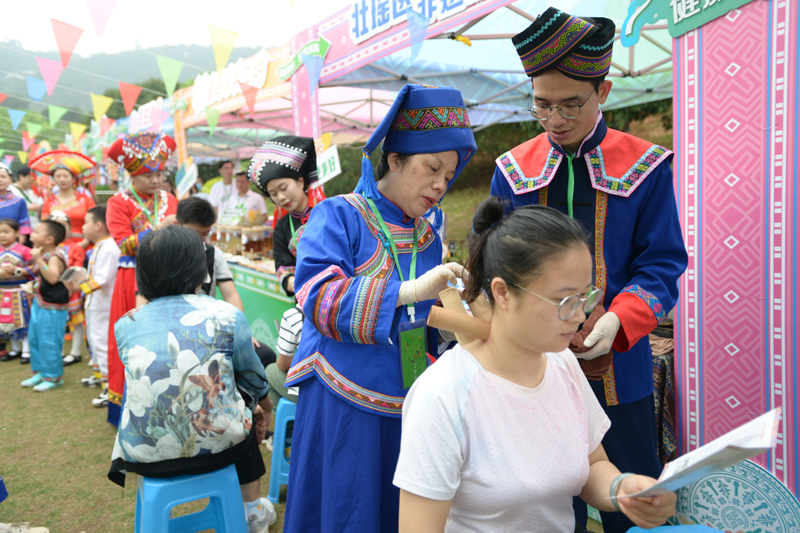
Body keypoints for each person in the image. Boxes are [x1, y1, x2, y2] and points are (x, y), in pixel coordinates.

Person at [489, 9, 688, 532]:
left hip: (619, 366)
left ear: (604, 89)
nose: (554, 120)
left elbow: (663, 263)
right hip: (533, 367)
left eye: (570, 104)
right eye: (541, 105)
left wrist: (618, 321)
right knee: (549, 504)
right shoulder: (513, 170)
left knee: (634, 500)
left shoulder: (646, 167)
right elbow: (494, 262)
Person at [393, 197, 677, 532]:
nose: (580, 315)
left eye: (585, 297)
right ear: (502, 293)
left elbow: (593, 463)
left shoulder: (562, 364)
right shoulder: (443, 394)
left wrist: (621, 489)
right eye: (564, 301)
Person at [282, 84, 475, 532]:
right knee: (345, 509)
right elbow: (317, 297)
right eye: (432, 168)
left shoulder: (428, 239)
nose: (440, 185)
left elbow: (429, 327)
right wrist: (405, 294)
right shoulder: (339, 215)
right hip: (342, 398)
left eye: (448, 176)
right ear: (394, 159)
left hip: (410, 400)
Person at [107, 225, 277, 532]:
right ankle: (251, 513)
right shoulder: (226, 314)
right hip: (220, 448)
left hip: (141, 453)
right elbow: (254, 378)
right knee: (244, 407)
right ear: (200, 270)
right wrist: (266, 408)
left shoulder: (126, 323)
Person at [104, 132, 179, 426]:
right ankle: (128, 406)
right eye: (148, 174)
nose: (155, 180)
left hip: (169, 273)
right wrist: (158, 229)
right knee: (133, 339)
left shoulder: (169, 198)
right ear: (132, 174)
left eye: (159, 173)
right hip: (131, 276)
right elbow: (123, 244)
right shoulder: (117, 202)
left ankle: (168, 400)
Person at [175, 196, 275, 365]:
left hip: (210, 328)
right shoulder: (167, 254)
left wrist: (242, 332)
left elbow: (230, 295)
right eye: (195, 233)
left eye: (205, 234)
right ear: (177, 225)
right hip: (177, 329)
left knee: (265, 356)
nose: (200, 239)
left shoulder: (214, 254)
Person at [249, 135, 321, 298]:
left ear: (300, 182)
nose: (280, 197)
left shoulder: (330, 212)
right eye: (273, 194)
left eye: (283, 187)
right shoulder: (282, 228)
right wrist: (308, 287)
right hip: (307, 300)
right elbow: (284, 271)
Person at [63, 205, 120, 397]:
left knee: (101, 342)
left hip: (103, 304)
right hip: (94, 303)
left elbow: (102, 279)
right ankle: (100, 376)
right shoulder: (100, 245)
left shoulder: (110, 247)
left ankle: (108, 385)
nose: (83, 227)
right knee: (95, 341)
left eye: (86, 222)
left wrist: (78, 288)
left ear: (98, 225)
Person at [20, 220, 69, 392]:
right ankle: (40, 372)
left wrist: (37, 259)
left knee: (49, 341)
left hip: (53, 307)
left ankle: (54, 377)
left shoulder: (55, 255)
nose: (31, 233)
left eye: (37, 231)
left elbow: (53, 277)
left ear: (49, 239)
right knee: (35, 338)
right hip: (40, 303)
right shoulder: (43, 254)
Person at [0, 219, 34, 362]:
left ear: (16, 232)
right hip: (3, 291)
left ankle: (26, 350)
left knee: (23, 320)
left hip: (20, 290)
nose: (2, 235)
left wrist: (18, 270)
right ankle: (15, 349)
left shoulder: (24, 250)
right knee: (7, 321)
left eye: (6, 232)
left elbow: (34, 267)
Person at [10, 166, 43, 245]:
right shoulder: (11, 190)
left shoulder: (32, 191)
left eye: (33, 179)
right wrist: (28, 208)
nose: (31, 181)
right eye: (29, 178)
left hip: (33, 228)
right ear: (21, 177)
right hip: (20, 229)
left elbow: (40, 204)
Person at [0, 163, 32, 243]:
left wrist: (17, 247)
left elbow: (24, 225)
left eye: (3, 177)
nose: (0, 180)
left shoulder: (19, 201)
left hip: (13, 244)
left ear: (10, 180)